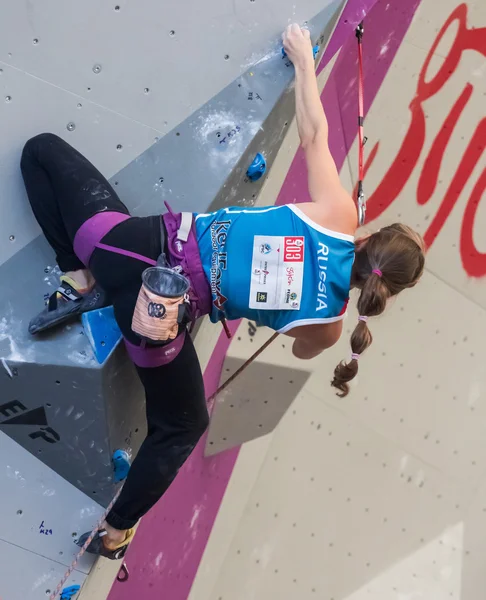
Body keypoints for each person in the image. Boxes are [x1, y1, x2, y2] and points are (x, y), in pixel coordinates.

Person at [21, 24, 424, 559]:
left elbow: (313, 134)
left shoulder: (338, 214)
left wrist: (304, 59)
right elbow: (302, 345)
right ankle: (115, 531)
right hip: (155, 324)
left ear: (370, 236)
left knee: (42, 152)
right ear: (386, 293)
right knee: (182, 426)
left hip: (128, 246)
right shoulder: (327, 324)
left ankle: (78, 272)